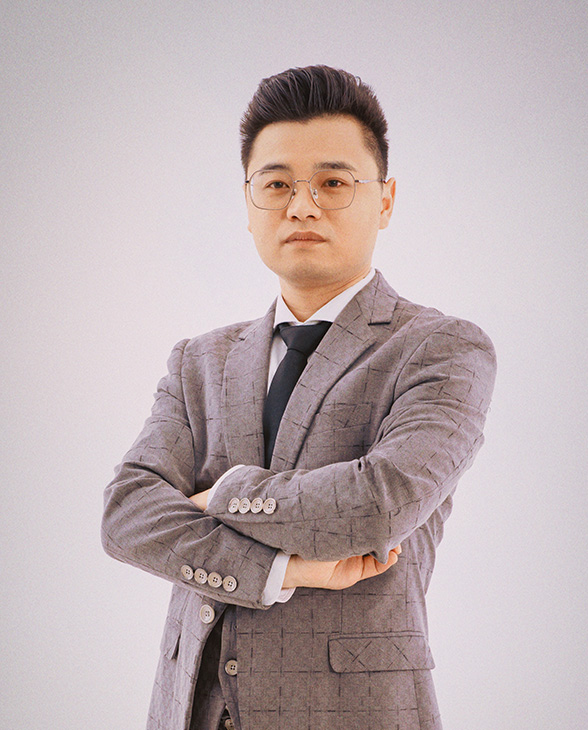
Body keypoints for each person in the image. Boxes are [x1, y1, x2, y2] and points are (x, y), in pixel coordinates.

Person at [102, 65, 497, 730]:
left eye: (333, 183)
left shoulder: (441, 348)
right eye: (277, 184)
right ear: (248, 203)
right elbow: (126, 515)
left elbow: (378, 504)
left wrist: (218, 496)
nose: (302, 206)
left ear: (386, 200)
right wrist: (285, 569)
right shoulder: (199, 359)